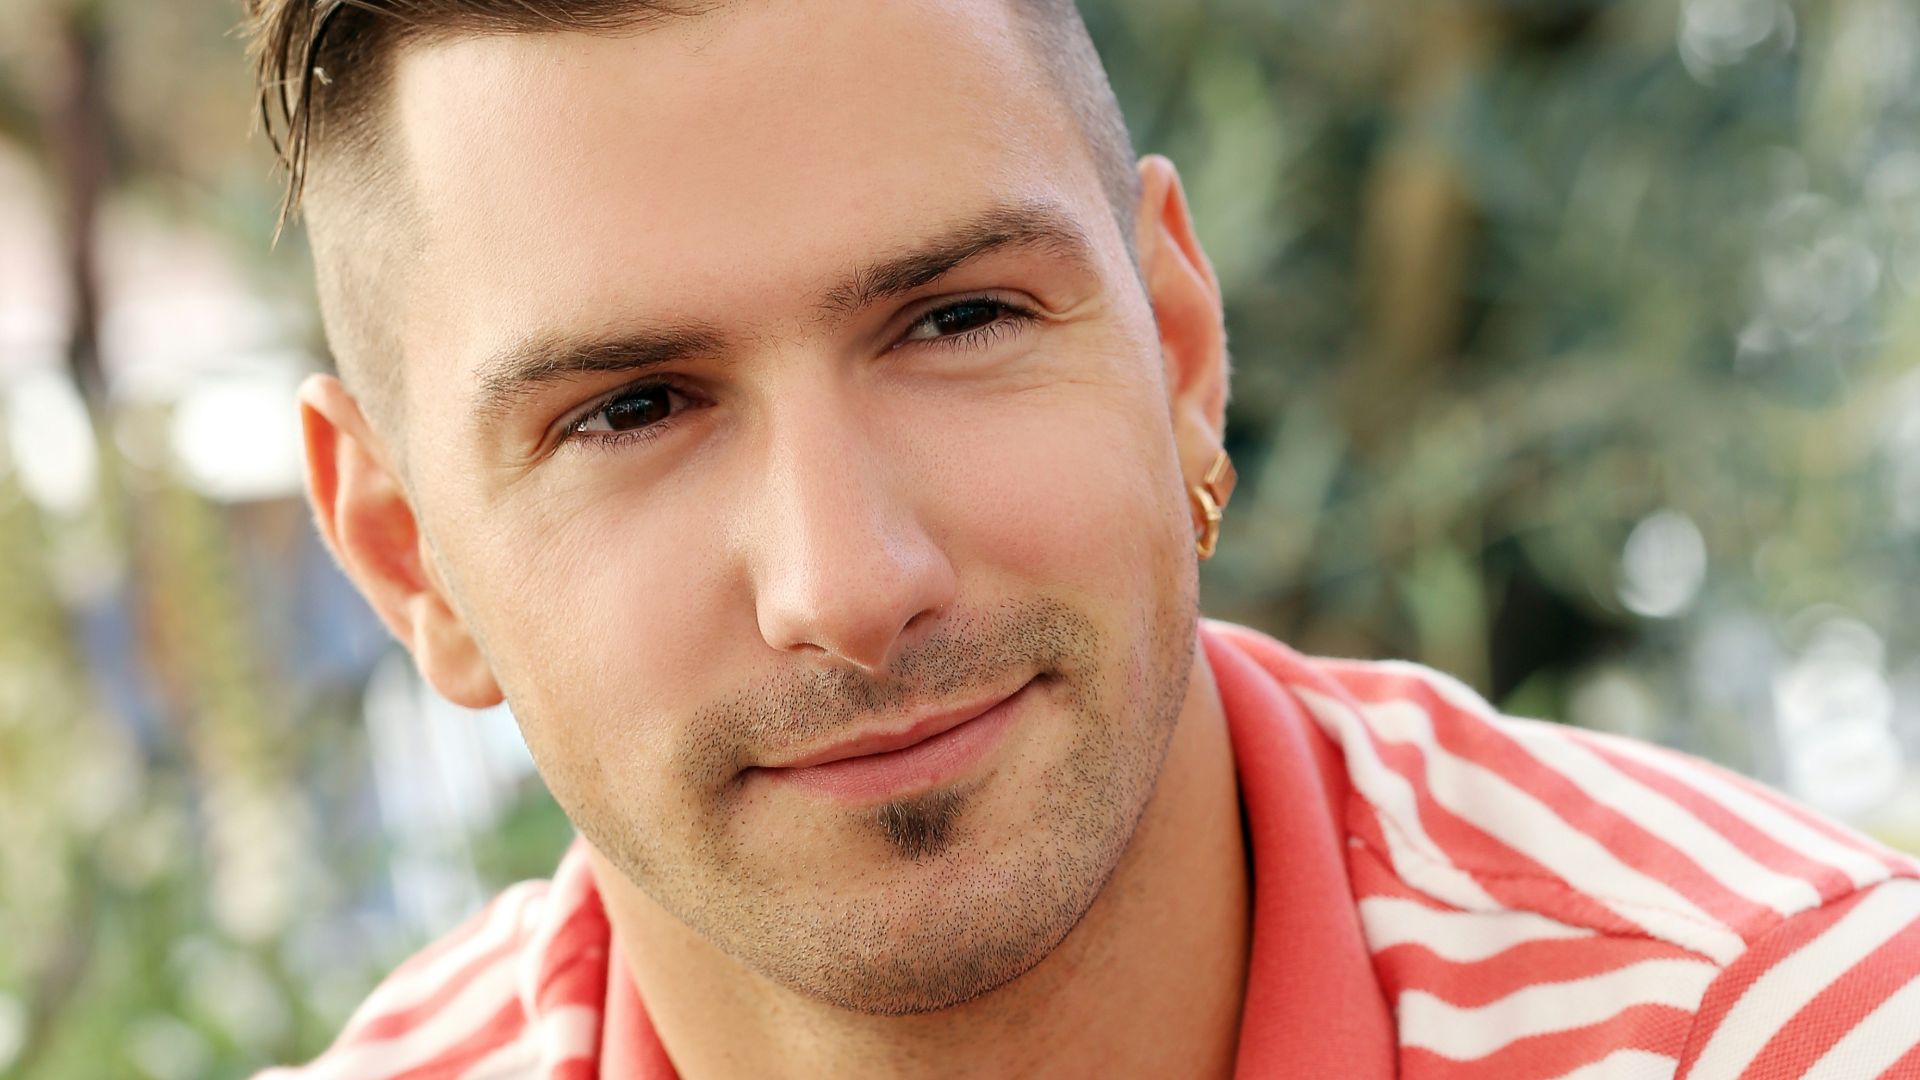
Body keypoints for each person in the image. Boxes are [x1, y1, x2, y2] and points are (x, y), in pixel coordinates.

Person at [244, 1, 1920, 1076]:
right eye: (628, 412)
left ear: (1179, 351)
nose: (849, 581)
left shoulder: (1803, 1037)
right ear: (408, 560)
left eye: (959, 318)